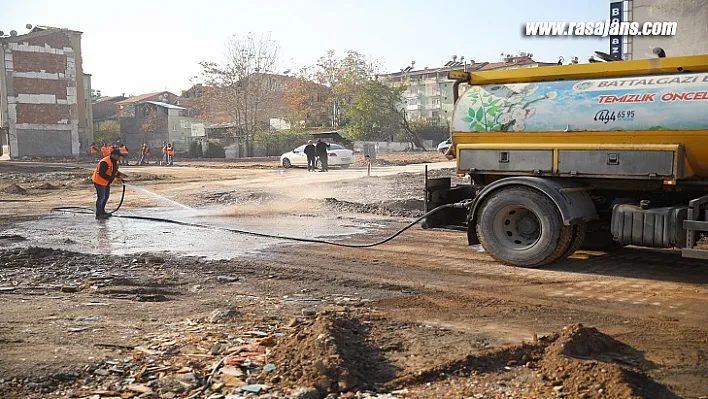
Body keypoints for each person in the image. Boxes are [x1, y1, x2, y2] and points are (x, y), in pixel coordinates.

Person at [91, 149, 126, 219]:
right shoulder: (105, 162)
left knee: (106, 197)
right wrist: (112, 178)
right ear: (113, 155)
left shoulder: (115, 162)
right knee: (101, 198)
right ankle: (98, 214)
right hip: (99, 182)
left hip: (106, 182)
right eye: (118, 156)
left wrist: (120, 176)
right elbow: (101, 173)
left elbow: (114, 171)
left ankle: (102, 211)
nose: (119, 158)